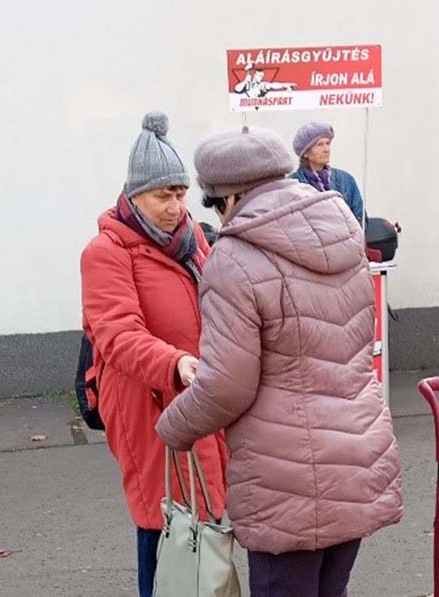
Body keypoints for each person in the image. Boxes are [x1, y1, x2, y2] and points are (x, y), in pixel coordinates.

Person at [156, 126, 403, 597]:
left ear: (227, 197)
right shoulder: (343, 231)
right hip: (356, 455)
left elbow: (226, 385)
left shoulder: (234, 259)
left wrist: (174, 427)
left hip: (286, 478)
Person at [79, 112, 228, 597]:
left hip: (197, 395)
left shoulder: (192, 239)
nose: (175, 205)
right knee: (165, 524)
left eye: (181, 193)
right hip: (148, 406)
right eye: (163, 195)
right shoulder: (106, 252)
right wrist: (175, 363)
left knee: (204, 523)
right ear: (134, 195)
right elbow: (118, 334)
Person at [289, 122, 365, 225]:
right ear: (305, 153)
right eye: (319, 145)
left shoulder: (346, 180)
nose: (326, 149)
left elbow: (361, 218)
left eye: (328, 143)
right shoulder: (293, 185)